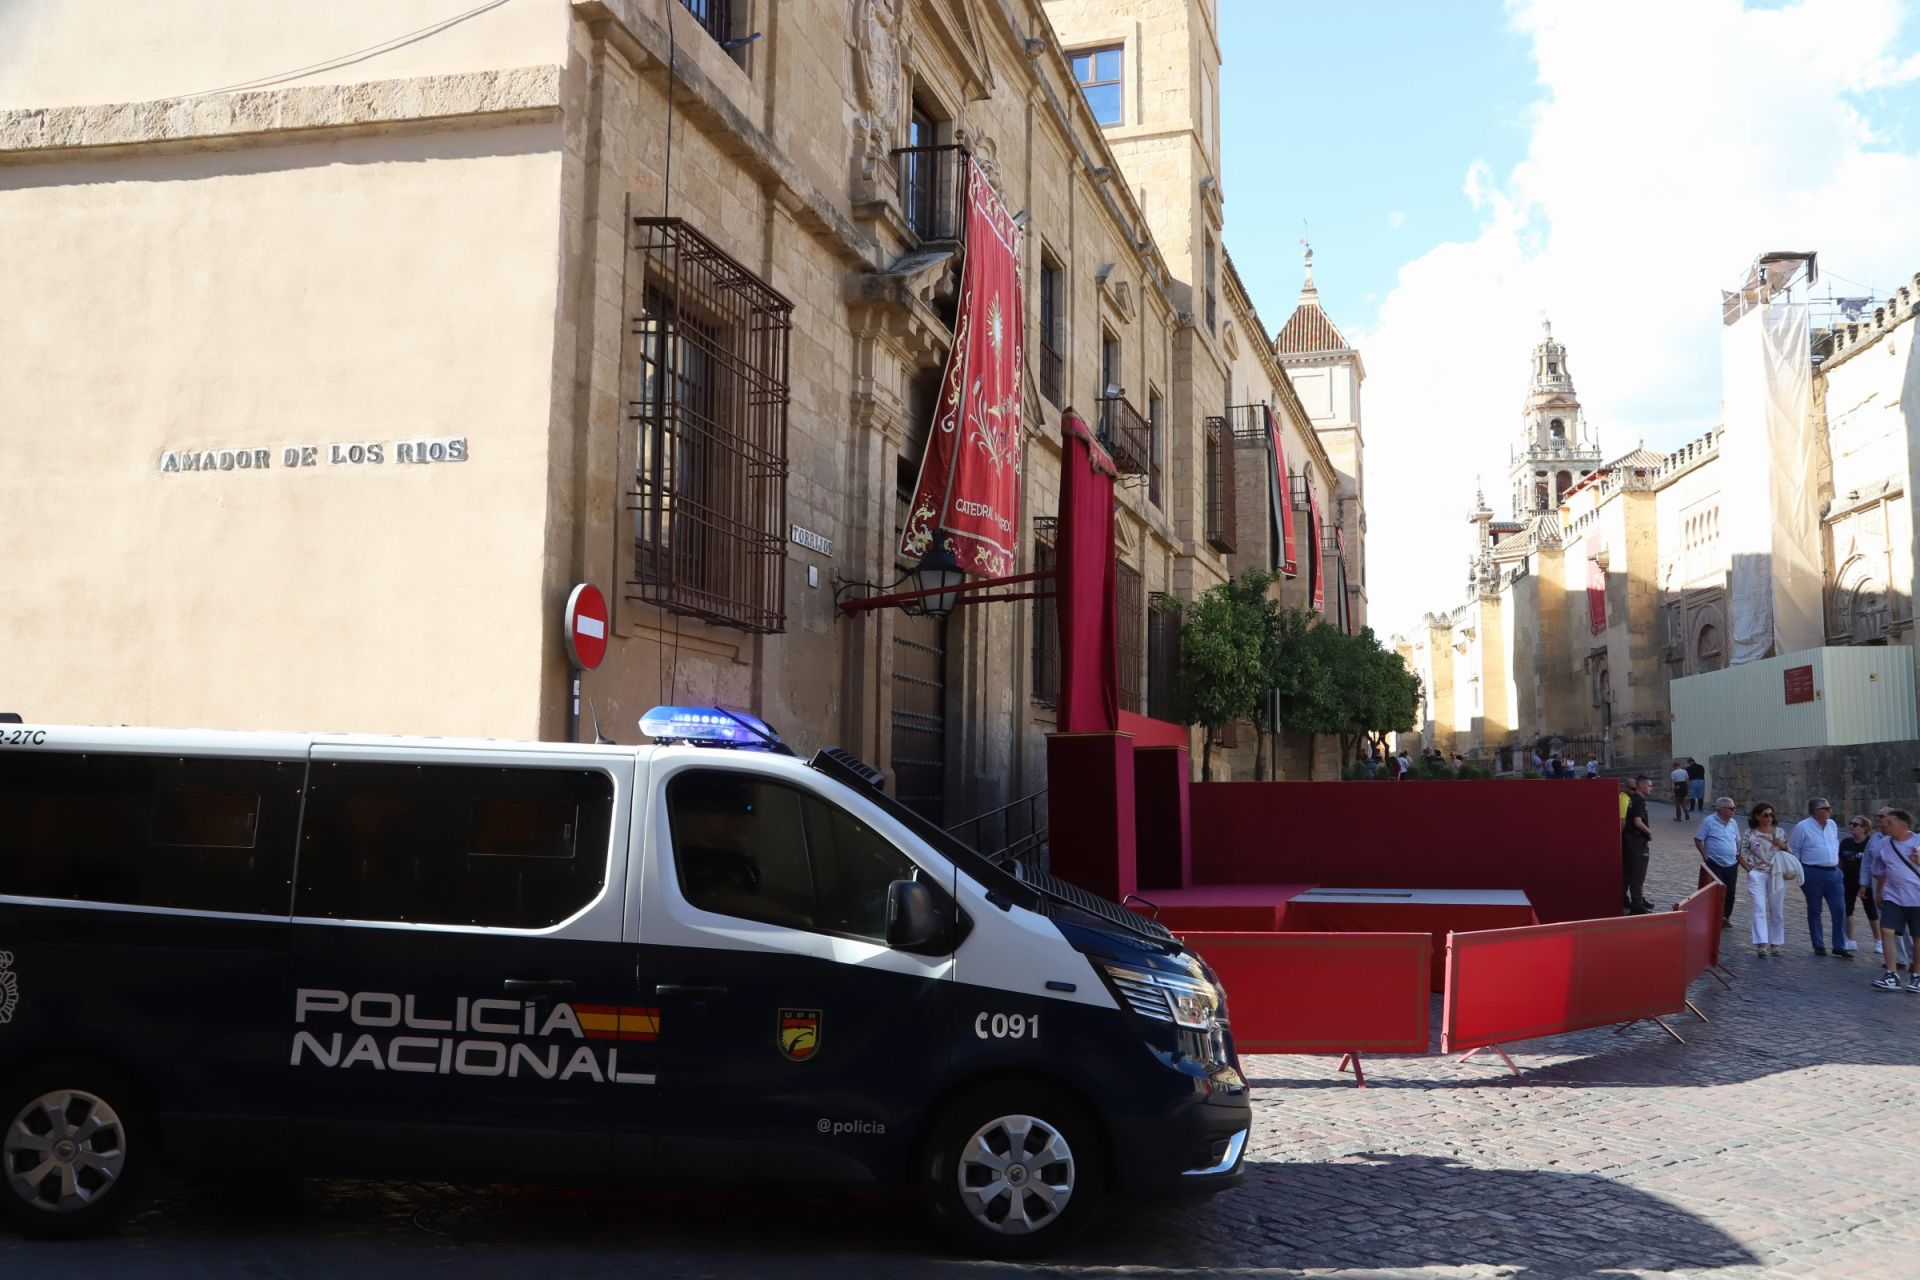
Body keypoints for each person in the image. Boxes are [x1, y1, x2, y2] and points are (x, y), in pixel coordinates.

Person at [1868, 808, 1920, 993]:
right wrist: (1879, 892)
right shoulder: (1884, 843)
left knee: (1917, 938)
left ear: (1902, 825)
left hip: (1917, 898)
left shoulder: (1918, 841)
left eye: (1889, 822)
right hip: (1893, 895)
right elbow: (1881, 870)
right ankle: (1891, 974)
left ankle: (1917, 976)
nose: (1883, 824)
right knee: (1886, 930)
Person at [1790, 797, 1847, 957]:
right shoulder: (1802, 827)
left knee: (1839, 909)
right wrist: (1800, 872)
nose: (1830, 811)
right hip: (1812, 872)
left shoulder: (1832, 825)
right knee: (1815, 909)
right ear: (1816, 811)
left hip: (1833, 872)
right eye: (1827, 808)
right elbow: (1795, 850)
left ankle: (1839, 945)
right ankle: (1818, 944)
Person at [1742, 802, 1791, 957]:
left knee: (1777, 910)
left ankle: (1776, 943)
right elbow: (1741, 853)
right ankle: (1761, 943)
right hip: (1757, 873)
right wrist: (1749, 869)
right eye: (1765, 815)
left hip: (1777, 874)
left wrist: (1780, 844)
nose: (1769, 817)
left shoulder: (1780, 832)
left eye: (1771, 814)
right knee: (1759, 907)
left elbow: (1790, 852)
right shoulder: (1749, 833)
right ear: (1757, 816)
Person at [1694, 797, 1742, 927]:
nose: (1734, 810)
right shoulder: (1709, 821)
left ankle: (1725, 917)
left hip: (1732, 863)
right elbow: (1698, 839)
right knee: (1717, 891)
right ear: (1721, 809)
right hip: (1715, 861)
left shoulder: (1733, 823)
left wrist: (1738, 854)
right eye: (1732, 808)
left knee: (1730, 891)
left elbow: (1738, 840)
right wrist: (1704, 854)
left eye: (1734, 808)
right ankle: (1714, 917)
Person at [1839, 815, 1875, 954]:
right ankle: (1850, 940)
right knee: (1848, 910)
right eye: (1851, 823)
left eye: (1855, 824)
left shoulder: (1870, 843)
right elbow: (1840, 861)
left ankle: (1879, 940)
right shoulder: (1846, 842)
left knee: (1871, 911)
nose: (1852, 826)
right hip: (1847, 881)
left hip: (1866, 883)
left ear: (1865, 828)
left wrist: (1867, 883)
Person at [1622, 775, 1654, 914]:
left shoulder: (1633, 799)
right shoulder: (1639, 801)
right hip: (1637, 842)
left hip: (1630, 841)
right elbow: (1638, 822)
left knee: (1629, 872)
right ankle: (1637, 906)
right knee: (1638, 874)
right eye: (1649, 785)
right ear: (1641, 785)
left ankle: (1627, 900)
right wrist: (1649, 832)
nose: (1651, 788)